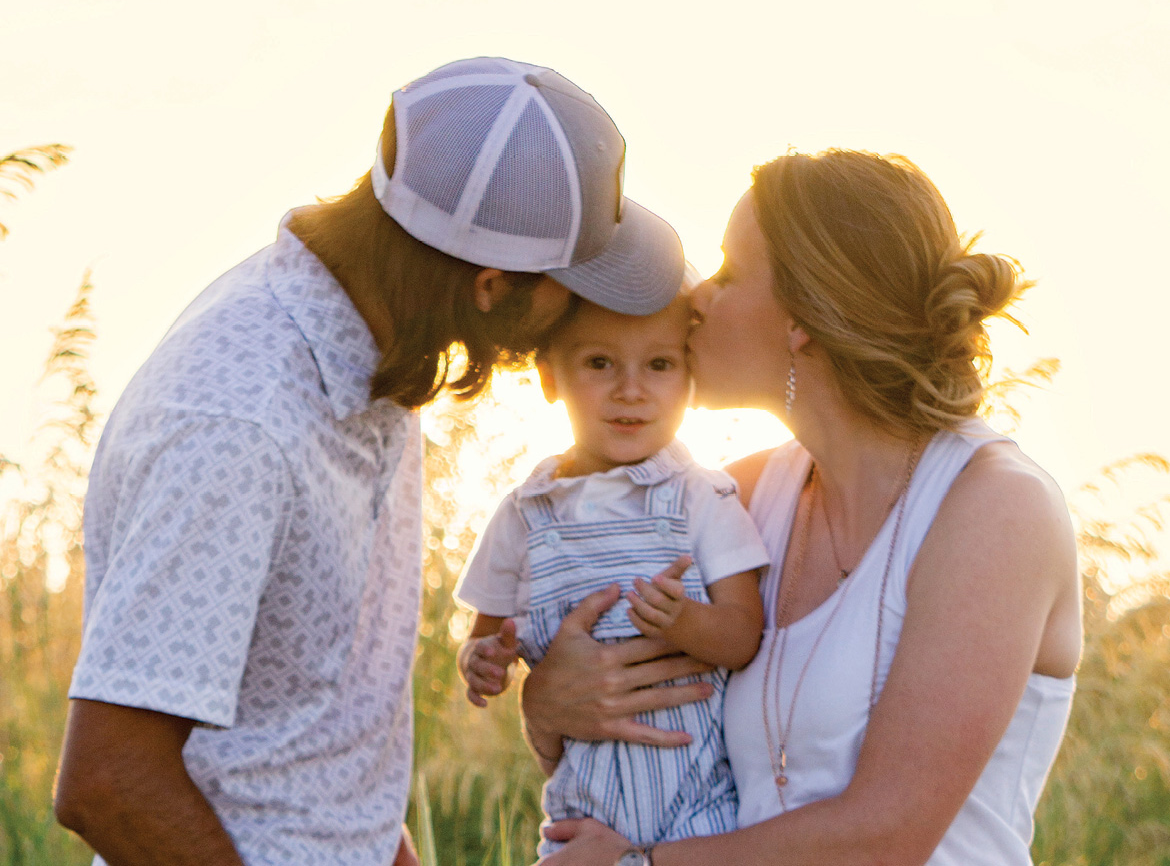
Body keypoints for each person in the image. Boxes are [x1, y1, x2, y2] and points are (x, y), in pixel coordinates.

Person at [52, 56, 685, 866]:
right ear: (489, 285)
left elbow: (306, 726)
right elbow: (110, 781)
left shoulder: (379, 338)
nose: (578, 317)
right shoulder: (240, 423)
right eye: (570, 285)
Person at [521, 149, 1082, 866]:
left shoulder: (994, 507)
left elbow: (888, 833)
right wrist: (547, 707)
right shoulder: (737, 498)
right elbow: (636, 732)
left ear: (803, 317)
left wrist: (641, 865)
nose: (696, 300)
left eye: (727, 274)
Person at [454, 289, 769, 856]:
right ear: (550, 376)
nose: (631, 390)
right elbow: (484, 634)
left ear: (689, 378)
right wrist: (481, 662)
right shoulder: (526, 513)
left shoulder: (702, 496)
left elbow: (744, 633)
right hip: (582, 820)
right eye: (600, 363)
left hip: (702, 809)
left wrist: (686, 621)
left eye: (659, 365)